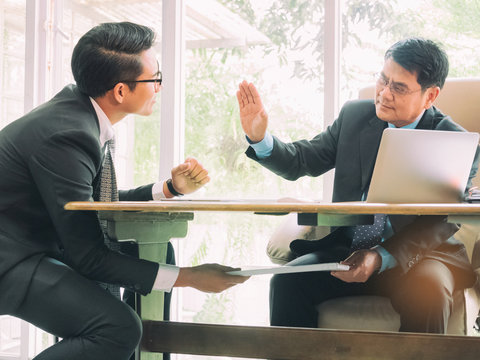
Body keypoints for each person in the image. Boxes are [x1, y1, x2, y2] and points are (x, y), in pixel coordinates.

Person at [0, 22, 248, 360]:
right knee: (119, 328)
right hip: (10, 261)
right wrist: (191, 278)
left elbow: (91, 206)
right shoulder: (68, 135)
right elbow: (88, 256)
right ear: (120, 91)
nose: (160, 87)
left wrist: (171, 189)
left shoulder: (78, 115)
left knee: (148, 255)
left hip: (33, 247)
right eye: (155, 78)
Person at [236, 37, 479, 333]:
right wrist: (261, 138)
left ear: (430, 96)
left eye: (399, 87)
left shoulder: (454, 141)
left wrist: (380, 258)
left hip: (419, 256)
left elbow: (441, 220)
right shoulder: (354, 116)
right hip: (349, 250)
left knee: (428, 290)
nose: (384, 94)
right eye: (383, 80)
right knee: (286, 281)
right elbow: (302, 160)